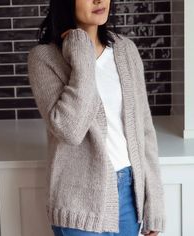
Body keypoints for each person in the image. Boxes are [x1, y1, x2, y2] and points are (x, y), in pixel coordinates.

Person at [27, 0, 166, 235]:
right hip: (78, 200)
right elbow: (69, 131)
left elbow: (145, 131)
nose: (99, 0)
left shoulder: (126, 50)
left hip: (129, 197)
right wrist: (81, 54)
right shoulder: (44, 58)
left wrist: (155, 204)